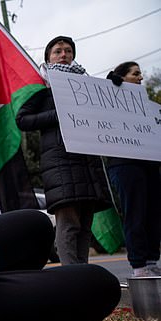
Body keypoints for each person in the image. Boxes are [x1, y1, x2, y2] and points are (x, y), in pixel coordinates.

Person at [16, 35, 112, 265]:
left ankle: (83, 277)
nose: (64, 55)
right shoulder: (42, 88)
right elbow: (23, 119)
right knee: (69, 224)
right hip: (61, 164)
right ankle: (72, 278)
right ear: (48, 57)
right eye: (58, 51)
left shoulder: (87, 86)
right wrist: (59, 115)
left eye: (68, 51)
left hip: (87, 162)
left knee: (85, 226)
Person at [104, 62, 161, 277]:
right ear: (122, 77)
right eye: (135, 74)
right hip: (125, 164)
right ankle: (139, 266)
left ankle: (152, 260)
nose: (141, 78)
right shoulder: (112, 98)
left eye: (141, 74)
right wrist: (113, 81)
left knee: (153, 213)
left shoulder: (146, 105)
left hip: (150, 163)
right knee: (135, 213)